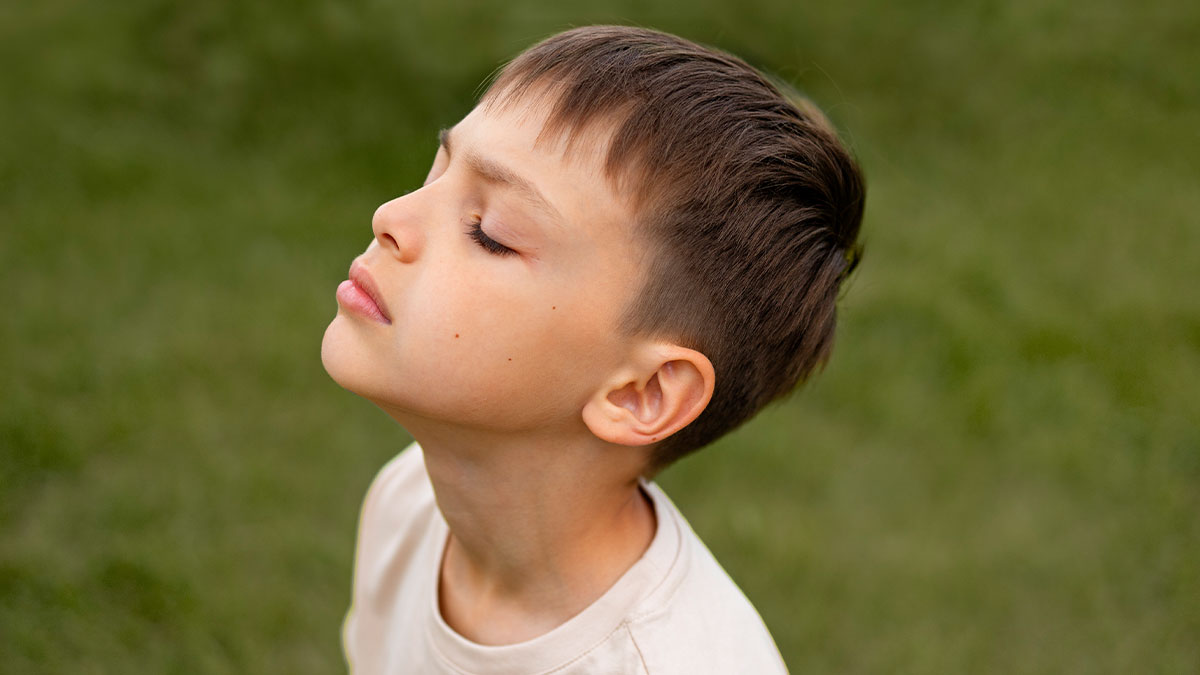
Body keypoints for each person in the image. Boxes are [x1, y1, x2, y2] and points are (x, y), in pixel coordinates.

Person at [321, 24, 864, 674]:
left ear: (642, 392)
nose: (391, 215)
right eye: (436, 171)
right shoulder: (408, 501)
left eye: (488, 232)